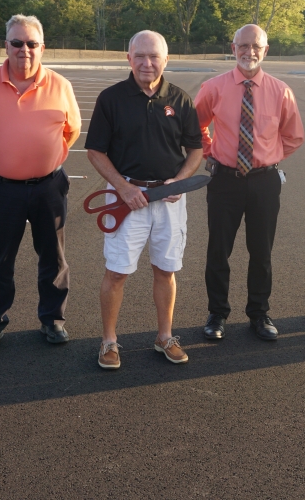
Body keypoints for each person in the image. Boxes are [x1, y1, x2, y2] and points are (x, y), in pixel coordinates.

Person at [0, 15, 81, 353]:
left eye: (31, 44)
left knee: (53, 256)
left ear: (42, 48)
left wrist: (48, 158)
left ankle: (52, 318)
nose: (24, 50)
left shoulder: (60, 85)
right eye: (17, 43)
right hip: (3, 189)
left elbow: (71, 131)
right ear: (6, 45)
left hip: (49, 187)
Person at [85, 30, 203, 369]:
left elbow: (195, 149)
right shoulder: (111, 98)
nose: (147, 63)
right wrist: (123, 187)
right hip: (126, 199)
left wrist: (178, 182)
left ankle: (164, 336)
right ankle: (109, 342)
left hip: (168, 201)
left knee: (166, 270)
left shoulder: (179, 99)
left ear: (166, 60)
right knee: (117, 272)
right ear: (129, 58)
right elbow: (95, 150)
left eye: (154, 56)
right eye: (140, 56)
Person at [194, 24, 304, 341]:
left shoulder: (280, 91)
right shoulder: (213, 88)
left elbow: (294, 137)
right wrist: (209, 151)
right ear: (233, 48)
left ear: (265, 51)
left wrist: (267, 156)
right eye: (243, 45)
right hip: (225, 181)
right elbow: (194, 127)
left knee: (262, 253)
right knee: (218, 251)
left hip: (264, 183)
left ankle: (259, 313)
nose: (249, 52)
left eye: (256, 46)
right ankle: (217, 314)